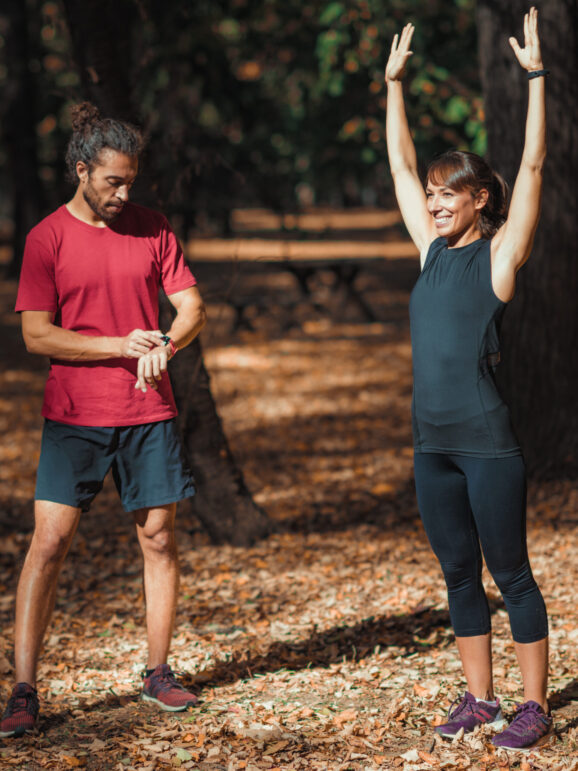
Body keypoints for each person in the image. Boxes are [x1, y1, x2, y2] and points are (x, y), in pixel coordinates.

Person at [0, 102, 207, 738]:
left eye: (131, 181)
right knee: (49, 545)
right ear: (81, 170)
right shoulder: (47, 238)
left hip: (148, 414)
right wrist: (120, 346)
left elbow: (191, 307)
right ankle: (24, 691)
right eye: (113, 181)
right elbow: (37, 336)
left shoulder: (153, 227)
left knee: (159, 541)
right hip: (74, 418)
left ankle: (157, 673)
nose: (124, 193)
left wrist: (164, 350)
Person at [384, 8, 551, 752]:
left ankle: (533, 705)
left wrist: (538, 80)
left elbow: (536, 167)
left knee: (509, 571)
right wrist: (392, 88)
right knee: (457, 573)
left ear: (479, 197)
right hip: (431, 445)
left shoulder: (498, 257)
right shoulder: (429, 250)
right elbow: (395, 164)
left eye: (446, 192)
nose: (432, 202)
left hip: (487, 445)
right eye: (429, 193)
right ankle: (479, 698)